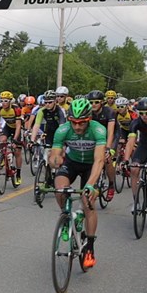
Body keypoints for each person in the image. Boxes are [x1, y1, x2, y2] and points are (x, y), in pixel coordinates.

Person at [50, 98, 107, 268]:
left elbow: (99, 161)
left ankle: (89, 246)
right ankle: (66, 217)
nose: (77, 127)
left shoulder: (98, 130)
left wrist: (90, 186)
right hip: (72, 163)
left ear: (89, 119)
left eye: (81, 123)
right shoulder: (62, 130)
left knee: (87, 201)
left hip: (91, 166)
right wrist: (54, 159)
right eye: (73, 122)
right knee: (59, 190)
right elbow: (55, 155)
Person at [87, 90, 117, 201]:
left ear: (102, 103)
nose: (93, 104)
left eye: (96, 102)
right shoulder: (88, 112)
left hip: (111, 135)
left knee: (107, 159)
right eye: (91, 102)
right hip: (97, 137)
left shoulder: (109, 111)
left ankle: (111, 184)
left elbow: (111, 132)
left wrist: (108, 149)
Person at [0, 90, 23, 185]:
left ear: (10, 101)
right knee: (2, 140)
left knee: (17, 151)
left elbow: (18, 126)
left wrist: (15, 139)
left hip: (16, 129)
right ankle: (4, 158)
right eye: (2, 101)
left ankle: (18, 174)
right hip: (8, 127)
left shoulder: (16, 109)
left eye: (6, 101)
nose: (3, 103)